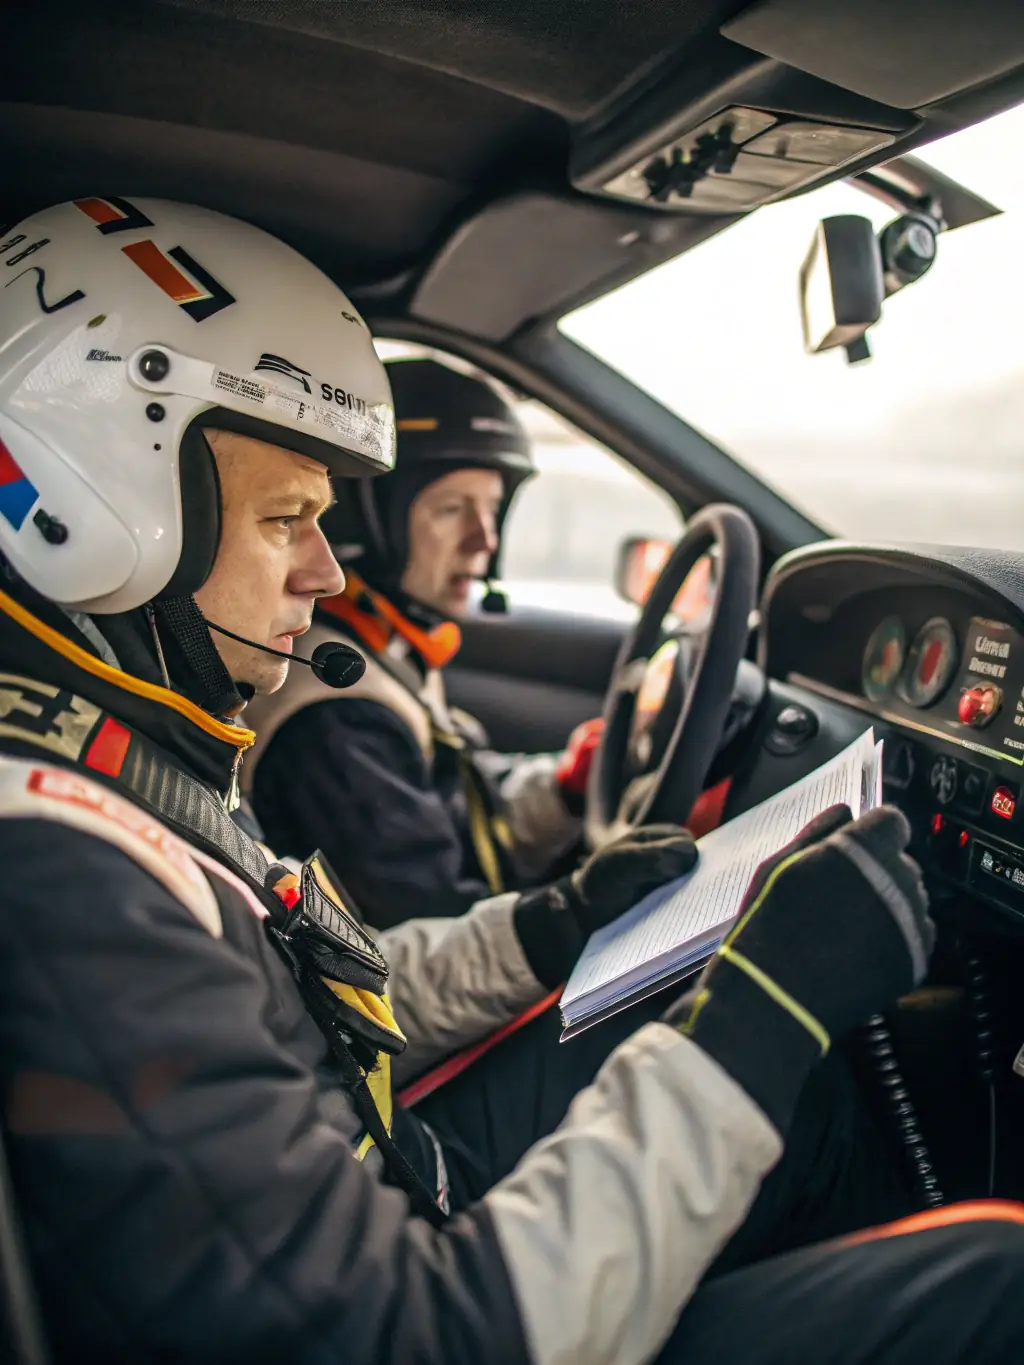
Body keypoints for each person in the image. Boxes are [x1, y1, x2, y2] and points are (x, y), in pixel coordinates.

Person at [0, 196, 1023, 1365]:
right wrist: (769, 1007)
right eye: (287, 520)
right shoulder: (67, 889)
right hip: (428, 1282)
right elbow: (412, 1336)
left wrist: (542, 928)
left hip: (383, 1169)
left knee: (818, 1106)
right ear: (92, 513)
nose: (328, 573)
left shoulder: (115, 754)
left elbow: (313, 989)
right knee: (997, 1282)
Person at [245, 358, 605, 926]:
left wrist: (569, 786)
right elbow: (427, 924)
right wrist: (574, 918)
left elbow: (460, 813)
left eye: (490, 511)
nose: (482, 540)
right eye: (451, 510)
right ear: (369, 523)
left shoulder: (383, 650)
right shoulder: (338, 721)